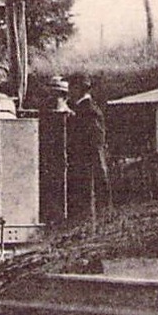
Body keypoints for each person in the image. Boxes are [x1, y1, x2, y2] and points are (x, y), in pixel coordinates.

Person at [69, 76, 110, 219]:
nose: (69, 92)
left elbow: (92, 138)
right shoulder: (87, 107)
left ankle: (92, 219)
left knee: (89, 188)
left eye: (71, 88)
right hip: (90, 156)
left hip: (88, 158)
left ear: (79, 89)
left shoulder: (87, 109)